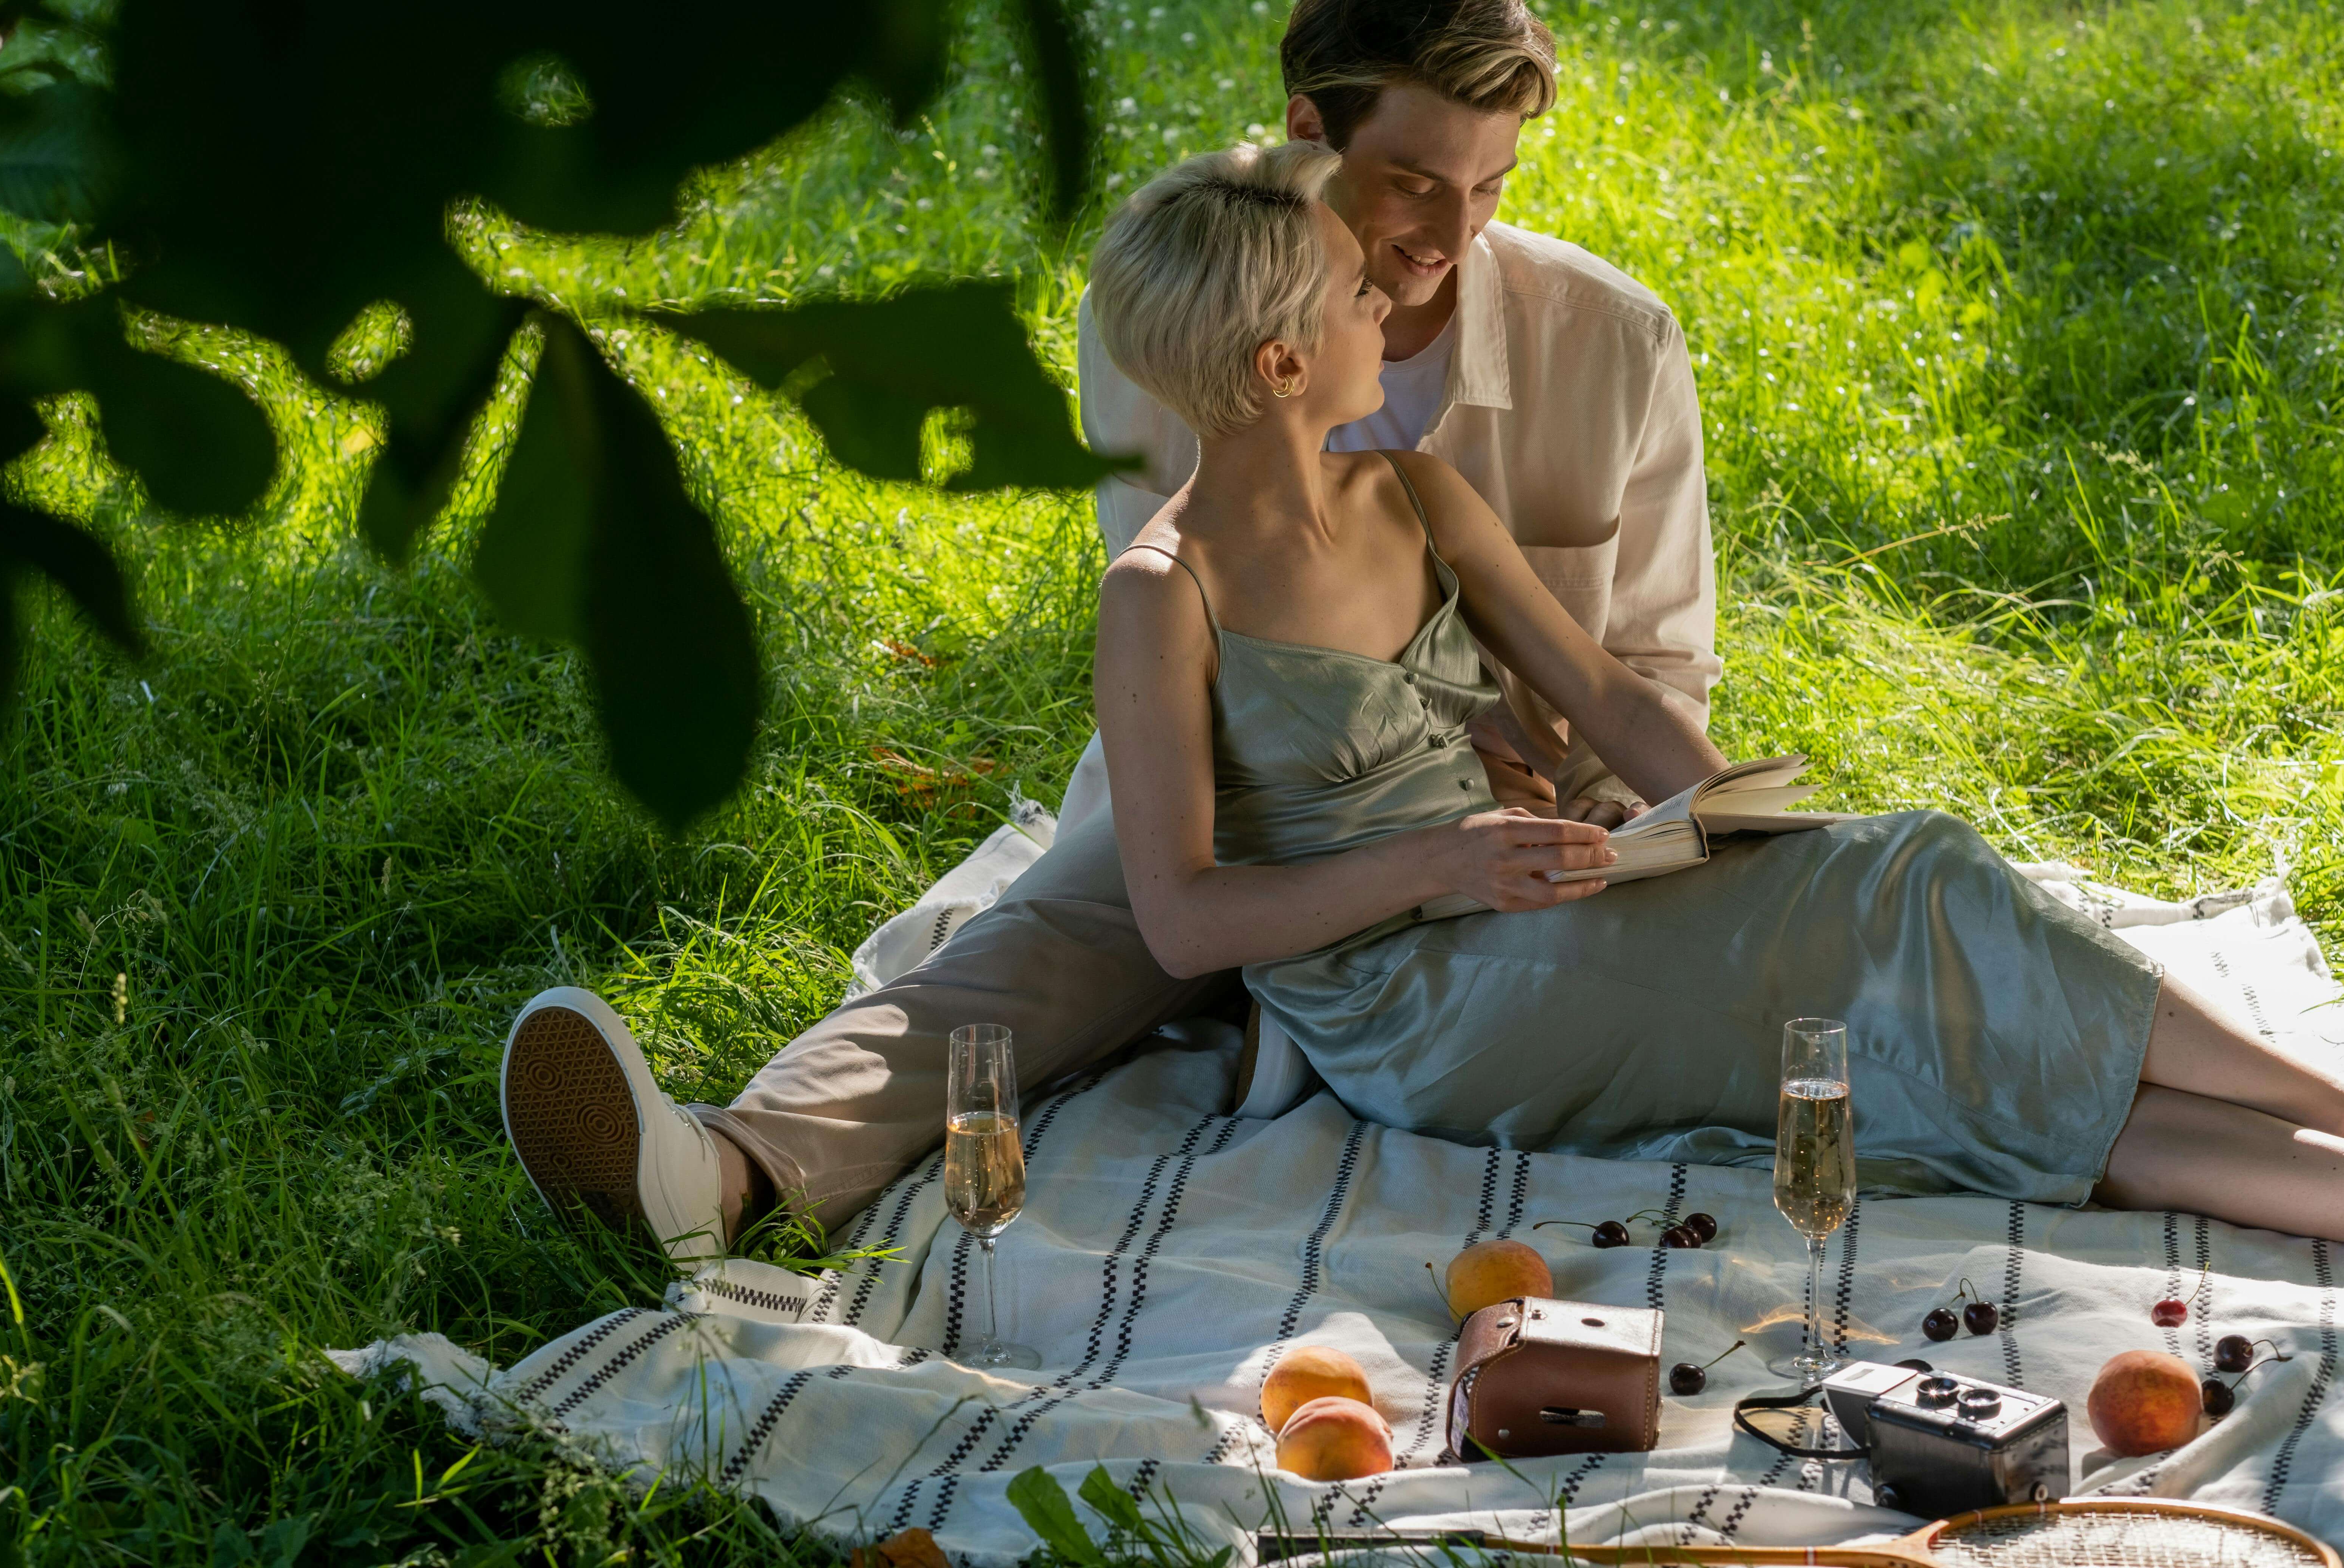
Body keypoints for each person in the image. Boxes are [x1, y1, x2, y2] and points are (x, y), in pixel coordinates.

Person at [499, 0, 1725, 1261]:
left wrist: (1625, 821)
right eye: (1416, 181)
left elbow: (1654, 666)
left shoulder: (1614, 342)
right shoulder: (1167, 307)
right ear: (1311, 129)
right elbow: (1189, 614)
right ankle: (725, 1173)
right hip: (1243, 765)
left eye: (1492, 184)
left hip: (1534, 810)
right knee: (1061, 939)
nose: (1455, 232)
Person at [1079, 138, 2344, 1241]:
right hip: (1417, 1000)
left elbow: (1609, 698)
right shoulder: (1164, 593)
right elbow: (1184, 920)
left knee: (1906, 887)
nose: (1387, 307)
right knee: (1908, 1001)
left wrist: (1741, 829)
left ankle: (2317, 1111)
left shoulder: (1416, 491)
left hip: (1543, 900)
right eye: (1357, 293)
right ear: (1285, 367)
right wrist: (1444, 866)